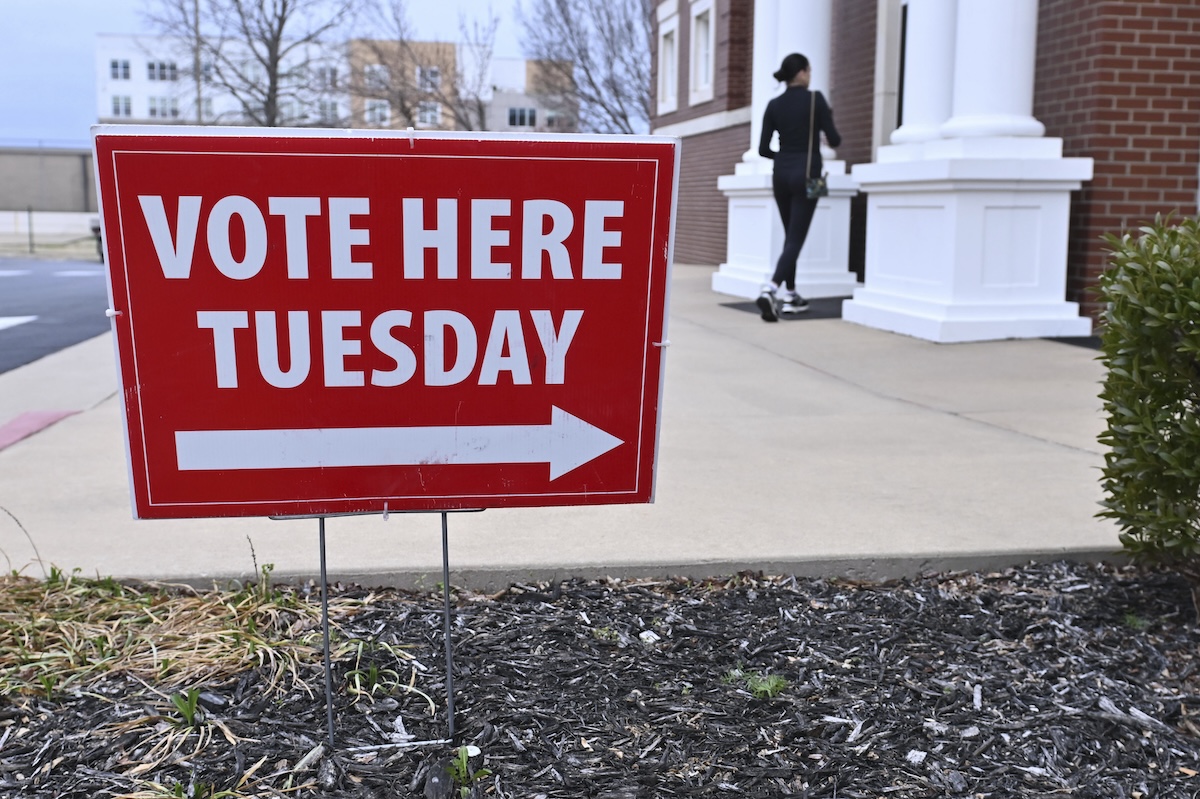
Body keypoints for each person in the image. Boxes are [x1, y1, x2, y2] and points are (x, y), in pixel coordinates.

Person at [755, 52, 842, 323]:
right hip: (810, 175)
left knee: (789, 235)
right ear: (802, 73)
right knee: (795, 238)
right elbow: (835, 139)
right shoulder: (815, 99)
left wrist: (783, 157)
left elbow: (762, 149)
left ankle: (791, 294)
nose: (810, 75)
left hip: (780, 174)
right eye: (809, 70)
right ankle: (771, 289)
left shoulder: (773, 105)